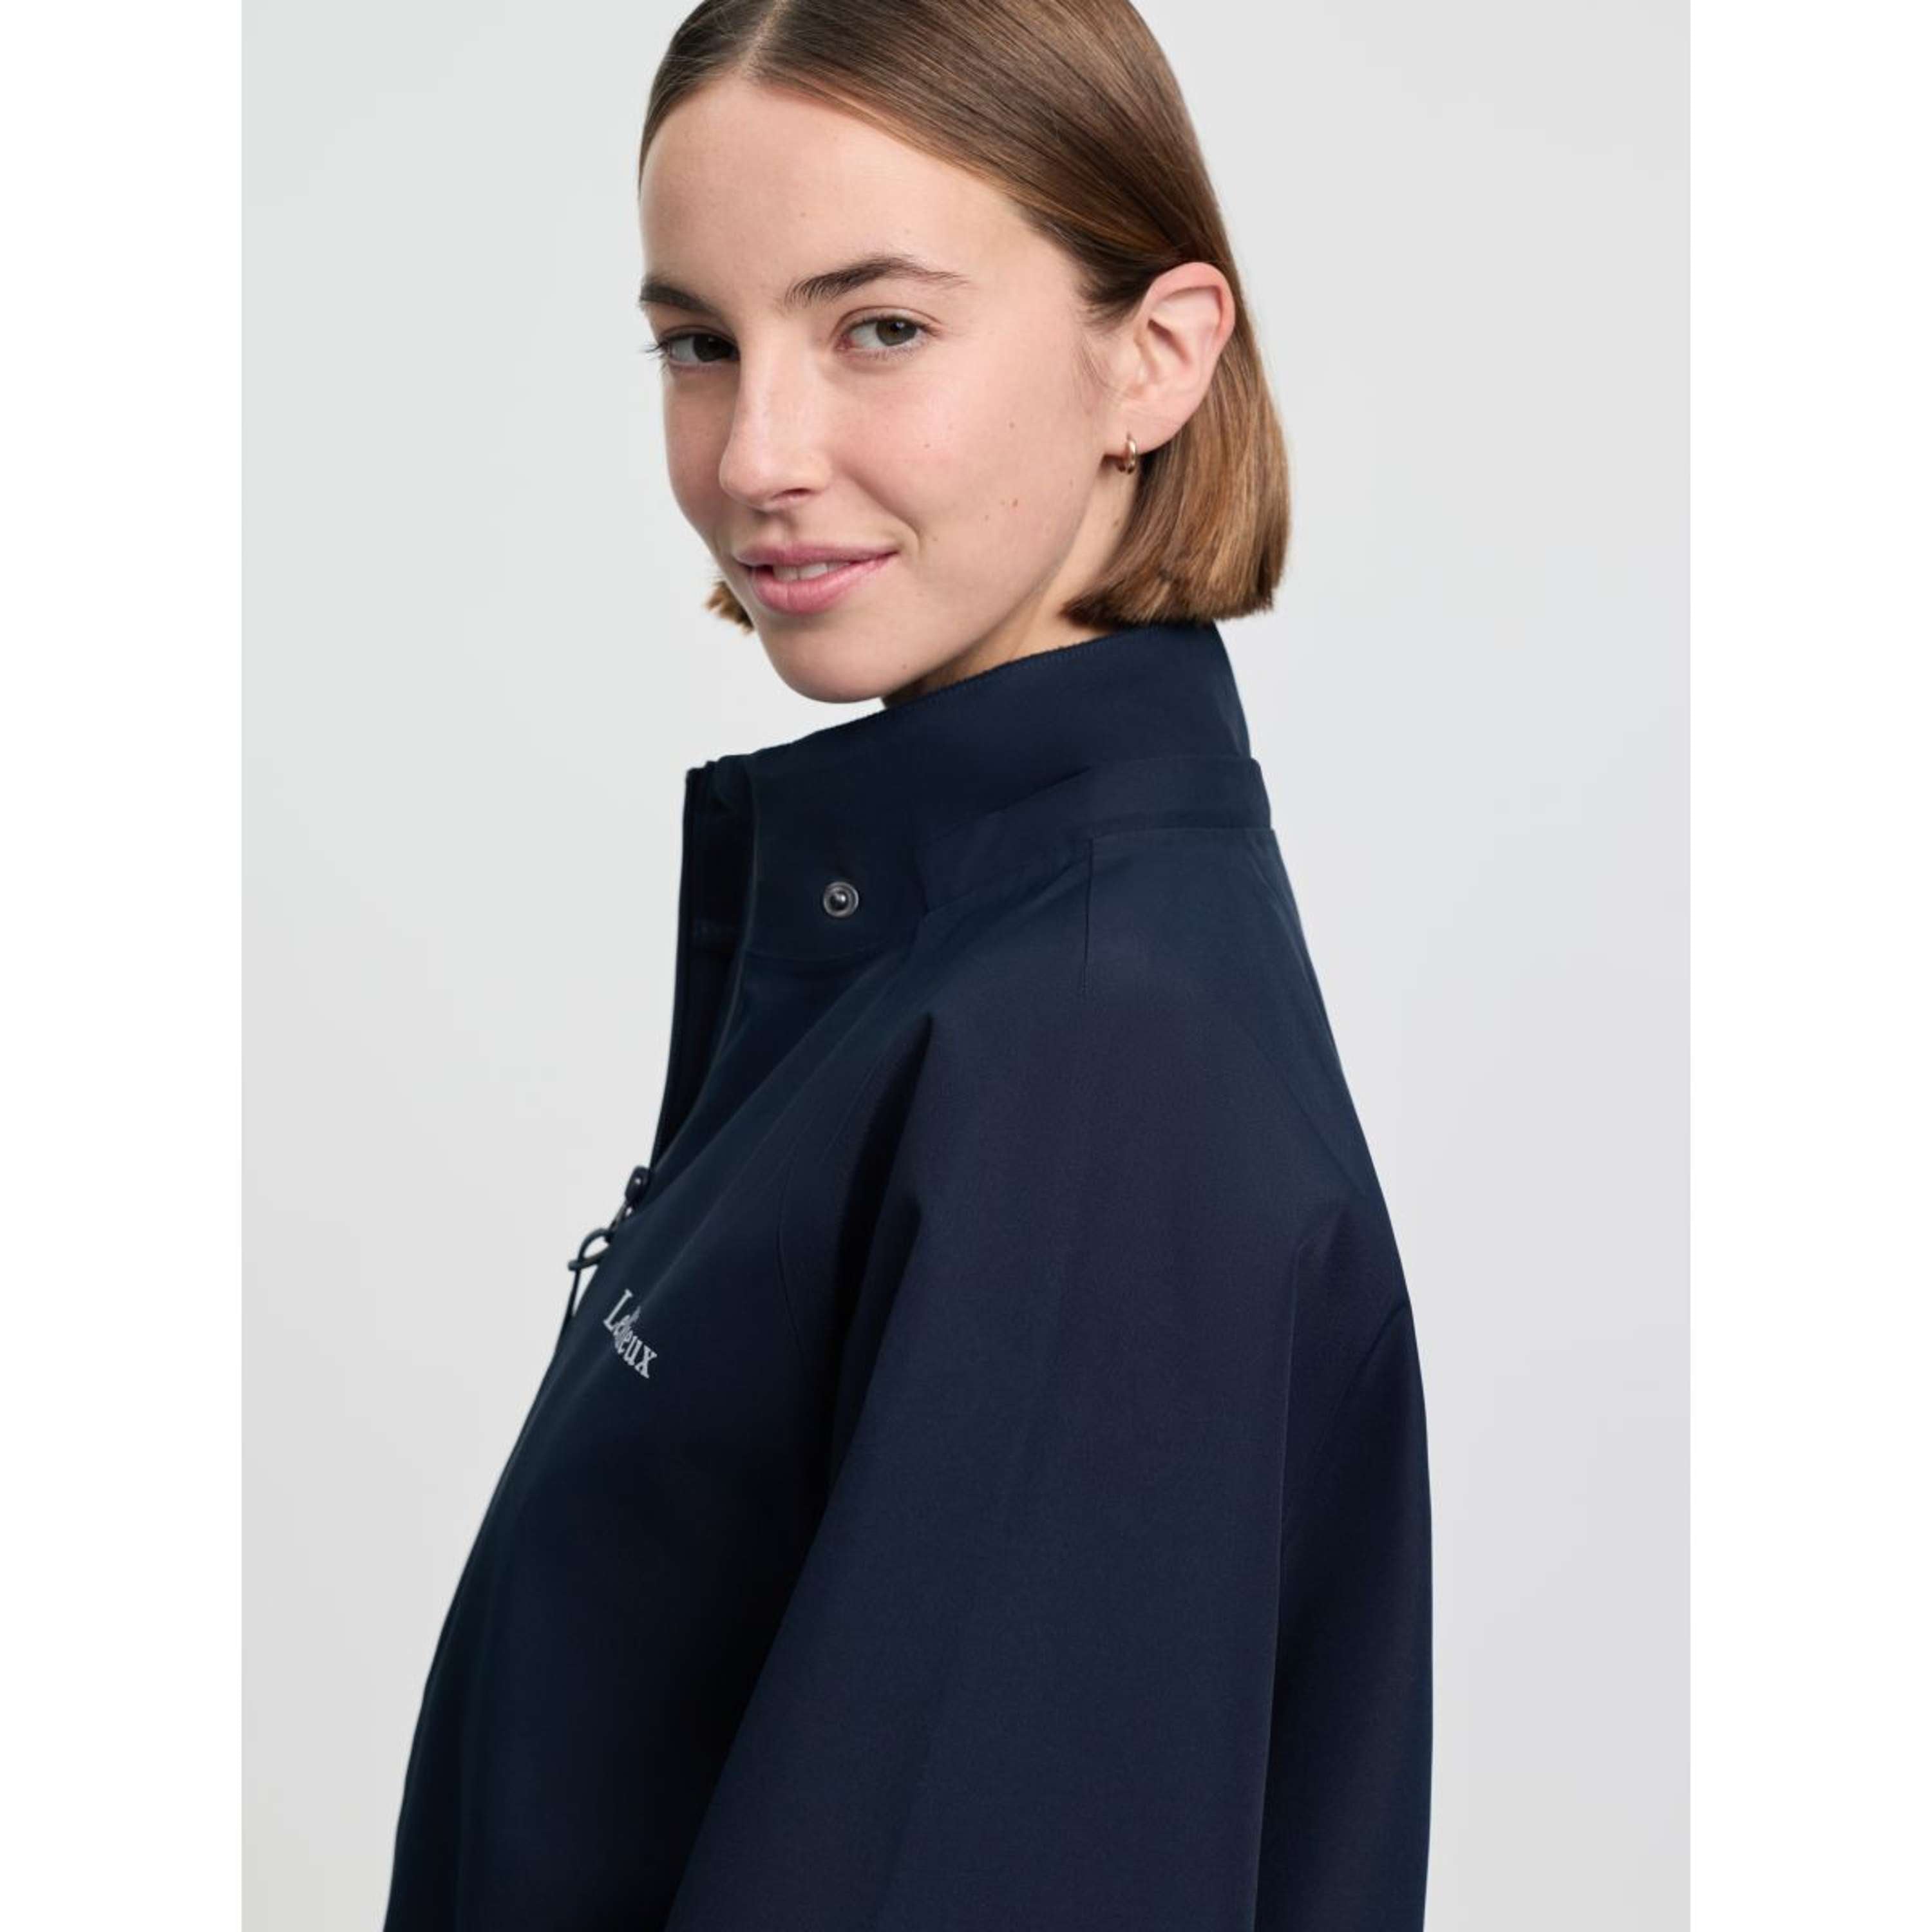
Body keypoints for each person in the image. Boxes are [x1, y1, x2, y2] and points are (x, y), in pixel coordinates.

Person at [381, 2, 1432, 1926]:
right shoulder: (951, 955)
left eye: (878, 328)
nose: (755, 455)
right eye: (699, 343)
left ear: (1156, 356)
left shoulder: (1090, 1064)